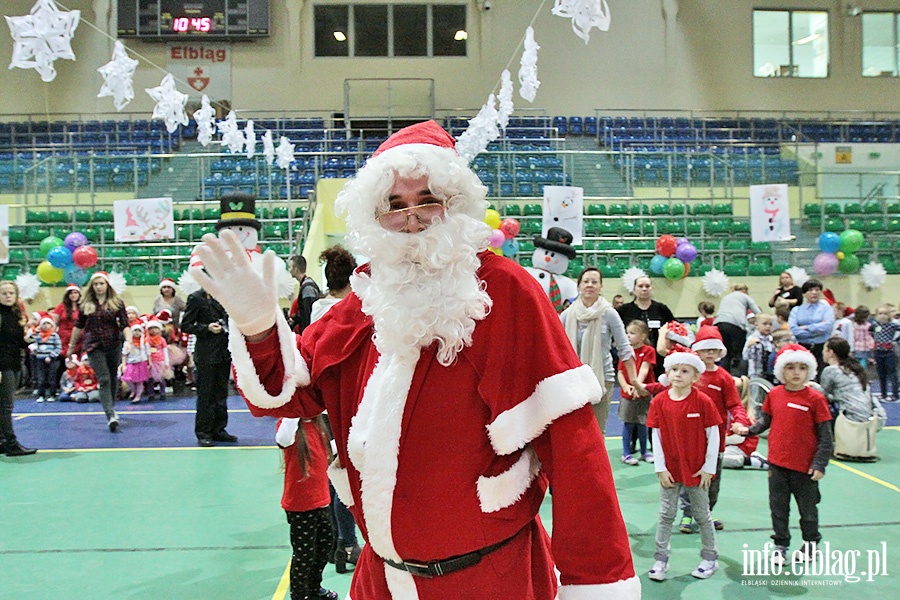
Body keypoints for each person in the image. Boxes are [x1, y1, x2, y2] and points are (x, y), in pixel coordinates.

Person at [191, 121, 639, 599]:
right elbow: (287, 395)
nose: (412, 219)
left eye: (428, 200)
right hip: (381, 578)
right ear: (374, 216)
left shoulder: (506, 292)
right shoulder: (362, 302)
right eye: (395, 206)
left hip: (489, 579)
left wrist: (595, 582)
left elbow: (575, 450)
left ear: (456, 204)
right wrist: (259, 327)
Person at [734, 344, 833, 566]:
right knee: (778, 508)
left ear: (809, 371)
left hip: (805, 468)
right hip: (777, 464)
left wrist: (820, 464)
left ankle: (810, 544)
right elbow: (766, 421)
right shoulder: (775, 395)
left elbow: (826, 437)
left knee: (807, 509)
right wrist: (748, 430)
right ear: (781, 371)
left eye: (801, 367)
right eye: (790, 367)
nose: (796, 372)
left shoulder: (816, 400)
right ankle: (781, 544)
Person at [309, 245, 364, 574]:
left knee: (333, 471)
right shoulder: (354, 307)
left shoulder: (317, 307)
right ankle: (347, 541)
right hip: (353, 400)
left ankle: (337, 541)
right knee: (349, 471)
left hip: (326, 403)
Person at [646, 347, 721, 582]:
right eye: (674, 369)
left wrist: (709, 468)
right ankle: (660, 560)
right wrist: (660, 467)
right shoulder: (659, 401)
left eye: (685, 371)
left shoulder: (703, 402)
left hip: (697, 471)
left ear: (696, 376)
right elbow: (655, 436)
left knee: (702, 514)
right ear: (667, 372)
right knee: (666, 514)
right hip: (670, 471)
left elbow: (714, 436)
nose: (678, 374)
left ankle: (710, 558)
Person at [679, 326, 747, 534]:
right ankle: (688, 513)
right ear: (696, 351)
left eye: (713, 349)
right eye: (705, 349)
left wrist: (739, 420)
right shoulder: (688, 374)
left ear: (720, 353)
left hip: (715, 438)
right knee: (688, 477)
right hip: (689, 437)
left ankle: (706, 511)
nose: (709, 353)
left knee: (712, 478)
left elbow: (735, 404)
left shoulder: (724, 378)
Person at [560, 266, 643, 434]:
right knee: (573, 431)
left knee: (597, 431)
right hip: (573, 381)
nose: (590, 285)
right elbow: (554, 346)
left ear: (601, 287)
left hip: (602, 379)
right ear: (579, 286)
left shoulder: (609, 313)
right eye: (586, 281)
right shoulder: (567, 315)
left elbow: (624, 347)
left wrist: (634, 380)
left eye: (594, 282)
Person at [276, 415, 340, 600]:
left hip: (322, 500)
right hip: (300, 505)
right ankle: (299, 595)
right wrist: (295, 410)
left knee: (325, 545)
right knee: (304, 554)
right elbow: (283, 439)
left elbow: (329, 450)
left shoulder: (318, 425)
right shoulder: (290, 425)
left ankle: (313, 587)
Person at [68, 271, 130, 432]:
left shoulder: (117, 302)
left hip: (113, 343)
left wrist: (128, 341)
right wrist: (71, 346)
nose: (98, 287)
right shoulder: (85, 304)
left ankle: (112, 408)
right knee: (104, 379)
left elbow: (124, 324)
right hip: (94, 345)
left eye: (101, 283)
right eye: (96, 284)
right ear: (92, 286)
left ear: (107, 285)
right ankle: (109, 415)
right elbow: (78, 326)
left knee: (113, 378)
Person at [181, 286, 235, 447]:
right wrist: (207, 328)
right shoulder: (196, 298)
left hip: (224, 352)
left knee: (221, 393)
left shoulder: (224, 295)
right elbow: (186, 325)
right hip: (206, 353)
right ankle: (203, 432)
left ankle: (219, 429)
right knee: (206, 395)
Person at [0, 281, 36, 456]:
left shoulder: (15, 314)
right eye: (4, 293)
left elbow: (15, 341)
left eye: (11, 293)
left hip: (14, 361)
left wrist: (28, 340)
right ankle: (11, 443)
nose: (8, 296)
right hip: (3, 364)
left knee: (5, 404)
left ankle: (2, 441)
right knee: (6, 405)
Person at [618, 275, 675, 378]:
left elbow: (674, 328)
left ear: (651, 289)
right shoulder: (624, 310)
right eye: (640, 286)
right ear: (634, 290)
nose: (644, 289)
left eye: (647, 286)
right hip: (633, 358)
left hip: (659, 358)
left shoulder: (661, 309)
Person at [821, 337, 886, 425]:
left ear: (831, 352)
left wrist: (812, 386)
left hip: (850, 419)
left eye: (824, 349)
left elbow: (823, 396)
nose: (822, 352)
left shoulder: (830, 370)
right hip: (869, 417)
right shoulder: (855, 368)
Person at [617, 320, 655, 465]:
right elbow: (620, 372)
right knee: (629, 424)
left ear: (643, 335)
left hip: (643, 393)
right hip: (628, 394)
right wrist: (626, 387)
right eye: (627, 333)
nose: (628, 336)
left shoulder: (648, 351)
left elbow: (644, 369)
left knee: (643, 424)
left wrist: (638, 386)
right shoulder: (625, 351)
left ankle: (645, 451)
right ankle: (626, 453)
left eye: (632, 333)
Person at [787, 279, 835, 379]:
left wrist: (807, 327)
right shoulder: (797, 310)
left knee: (822, 376)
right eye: (811, 290)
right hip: (803, 347)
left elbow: (827, 326)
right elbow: (795, 330)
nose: (814, 292)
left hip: (822, 348)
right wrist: (816, 330)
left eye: (817, 290)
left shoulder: (826, 309)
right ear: (804, 293)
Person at [713, 284, 760, 375]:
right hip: (735, 324)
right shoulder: (745, 297)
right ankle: (738, 377)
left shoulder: (726, 297)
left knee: (725, 352)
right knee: (740, 353)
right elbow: (758, 312)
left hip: (719, 323)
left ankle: (723, 375)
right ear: (745, 290)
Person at [52, 283, 81, 385]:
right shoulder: (61, 307)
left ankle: (78, 384)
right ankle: (60, 385)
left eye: (75, 293)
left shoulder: (83, 306)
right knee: (63, 362)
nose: (73, 295)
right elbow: (55, 322)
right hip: (64, 338)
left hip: (79, 338)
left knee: (79, 361)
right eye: (71, 293)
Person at [871, 303, 900, 401]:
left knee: (892, 374)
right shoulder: (875, 325)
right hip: (878, 352)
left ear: (889, 315)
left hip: (889, 353)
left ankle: (895, 394)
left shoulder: (892, 325)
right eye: (880, 313)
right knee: (881, 374)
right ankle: (883, 394)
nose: (882, 316)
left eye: (885, 313)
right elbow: (870, 331)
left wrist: (895, 341)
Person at [30, 314, 62, 402]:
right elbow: (35, 344)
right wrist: (34, 349)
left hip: (51, 359)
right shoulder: (38, 336)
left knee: (52, 377)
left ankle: (52, 394)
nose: (46, 326)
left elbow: (58, 348)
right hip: (40, 359)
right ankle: (41, 395)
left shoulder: (54, 336)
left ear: (51, 325)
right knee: (41, 378)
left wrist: (51, 356)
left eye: (48, 324)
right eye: (44, 324)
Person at [288, 255, 323, 335]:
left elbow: (308, 314)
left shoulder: (307, 288)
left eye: (290, 267)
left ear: (296, 269)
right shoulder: (307, 285)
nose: (289, 270)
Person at [120, 323, 150, 404]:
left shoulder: (144, 342)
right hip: (131, 362)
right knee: (128, 379)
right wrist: (123, 365)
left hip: (141, 363)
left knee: (140, 381)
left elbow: (148, 353)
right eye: (135, 330)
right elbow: (124, 354)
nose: (137, 332)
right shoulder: (128, 343)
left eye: (139, 331)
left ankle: (138, 396)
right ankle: (133, 390)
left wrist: (149, 363)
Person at [743, 313, 775, 379]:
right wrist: (749, 346)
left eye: (770, 324)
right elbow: (745, 357)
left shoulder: (772, 339)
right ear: (756, 325)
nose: (768, 326)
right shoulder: (752, 339)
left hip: (768, 372)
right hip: (755, 372)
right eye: (765, 324)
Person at [146, 320, 170, 401]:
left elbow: (165, 350)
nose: (153, 330)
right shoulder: (147, 340)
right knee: (150, 379)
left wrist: (166, 361)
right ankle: (150, 394)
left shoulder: (162, 340)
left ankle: (162, 392)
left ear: (159, 329)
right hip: (150, 362)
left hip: (160, 361)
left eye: (155, 328)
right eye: (151, 328)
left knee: (161, 378)